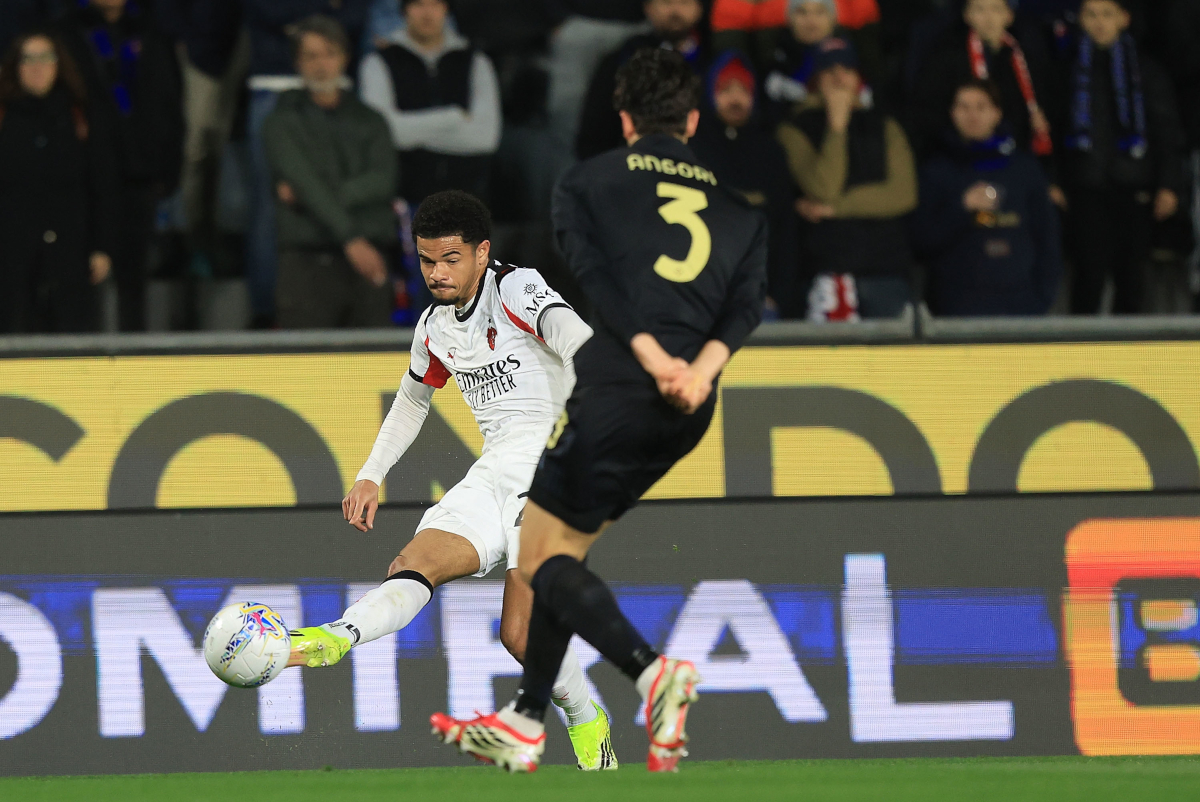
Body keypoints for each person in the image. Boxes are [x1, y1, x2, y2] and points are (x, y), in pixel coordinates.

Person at [431, 48, 767, 774]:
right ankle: (525, 717)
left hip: (621, 388)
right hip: (690, 407)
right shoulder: (741, 211)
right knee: (557, 556)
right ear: (694, 120)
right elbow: (746, 308)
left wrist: (652, 361)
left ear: (623, 120)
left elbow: (595, 278)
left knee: (540, 558)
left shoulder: (587, 181)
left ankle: (652, 676)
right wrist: (698, 374)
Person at [285, 190, 614, 770]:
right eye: (427, 260)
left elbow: (574, 336)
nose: (436, 273)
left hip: (553, 466)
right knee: (413, 564)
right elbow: (413, 400)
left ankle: (588, 719)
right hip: (495, 470)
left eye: (450, 259)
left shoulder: (515, 288)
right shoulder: (435, 327)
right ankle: (334, 639)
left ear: (482, 253)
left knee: (521, 634)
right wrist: (369, 476)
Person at [262, 15, 397, 329]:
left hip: (369, 258)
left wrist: (315, 197)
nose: (321, 64)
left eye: (329, 53)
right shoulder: (281, 121)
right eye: (310, 56)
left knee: (371, 372)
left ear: (344, 59)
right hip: (307, 262)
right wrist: (351, 238)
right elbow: (304, 179)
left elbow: (383, 181)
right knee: (304, 372)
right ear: (297, 63)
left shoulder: (370, 120)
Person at [243, 0, 371, 327]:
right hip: (272, 86)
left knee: (331, 192)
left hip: (336, 91)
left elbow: (355, 16)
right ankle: (267, 313)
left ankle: (345, 304)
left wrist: (301, 25)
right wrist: (325, 14)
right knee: (271, 202)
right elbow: (263, 10)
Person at [59, 0, 184, 332]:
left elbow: (169, 101)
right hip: (85, 175)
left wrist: (167, 167)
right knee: (82, 275)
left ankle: (135, 361)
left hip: (138, 170)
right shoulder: (67, 32)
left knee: (135, 279)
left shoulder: (149, 30)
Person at [776, 38, 917, 319]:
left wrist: (836, 209)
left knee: (896, 363)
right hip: (825, 273)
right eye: (829, 71)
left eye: (847, 70)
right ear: (816, 79)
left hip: (885, 271)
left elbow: (903, 194)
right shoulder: (793, 129)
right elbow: (824, 188)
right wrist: (837, 126)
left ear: (858, 77)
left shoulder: (885, 125)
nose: (839, 78)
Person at [1061, 0, 1186, 314]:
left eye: (1108, 14)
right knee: (1088, 277)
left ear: (1124, 19)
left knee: (1131, 280)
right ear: (1081, 19)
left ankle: (1126, 359)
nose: (1100, 22)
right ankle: (1081, 356)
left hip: (1135, 188)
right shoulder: (1067, 69)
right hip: (1086, 188)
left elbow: (1167, 132)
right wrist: (1054, 180)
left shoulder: (1145, 70)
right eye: (1091, 14)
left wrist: (1169, 184)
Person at [0, 30, 118, 333]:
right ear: (15, 66)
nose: (37, 67)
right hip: (12, 255)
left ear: (59, 65)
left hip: (70, 250)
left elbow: (99, 185)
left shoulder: (80, 116)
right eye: (28, 59)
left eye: (46, 58)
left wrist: (101, 247)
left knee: (71, 341)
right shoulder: (5, 117)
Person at [912, 79, 1062, 315]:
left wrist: (1042, 297)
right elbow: (921, 240)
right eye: (964, 107)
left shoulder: (1024, 169)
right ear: (952, 113)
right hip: (958, 308)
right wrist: (962, 208)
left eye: (981, 107)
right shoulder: (936, 171)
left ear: (996, 113)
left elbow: (1047, 238)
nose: (972, 115)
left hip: (1021, 306)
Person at [359, 0, 501, 207]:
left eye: (435, 4)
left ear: (446, 10)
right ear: (404, 10)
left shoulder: (477, 62)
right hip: (403, 198)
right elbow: (383, 133)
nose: (427, 13)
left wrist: (410, 130)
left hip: (466, 199)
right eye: (418, 4)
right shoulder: (378, 63)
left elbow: (486, 138)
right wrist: (453, 118)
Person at [690, 51, 800, 317]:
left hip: (759, 297)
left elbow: (785, 229)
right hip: (700, 298)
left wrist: (780, 295)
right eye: (726, 89)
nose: (735, 99)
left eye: (743, 90)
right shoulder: (690, 149)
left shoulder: (770, 150)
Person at [909, 0, 1055, 165]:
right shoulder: (947, 58)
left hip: (1018, 158)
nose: (989, 18)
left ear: (1009, 16)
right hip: (963, 159)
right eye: (979, 10)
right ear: (967, 16)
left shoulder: (1025, 59)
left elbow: (1041, 110)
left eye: (996, 9)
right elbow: (927, 114)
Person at [575, 0, 706, 160]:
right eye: (667, 2)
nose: (675, 11)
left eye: (684, 2)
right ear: (648, 8)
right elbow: (594, 133)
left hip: (700, 173)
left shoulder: (717, 63)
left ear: (699, 8)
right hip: (628, 169)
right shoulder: (623, 60)